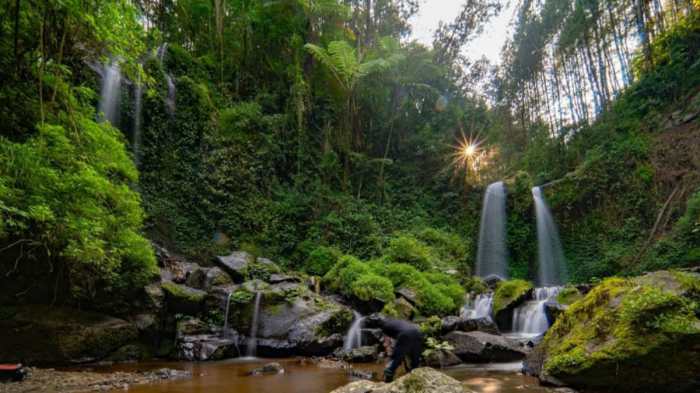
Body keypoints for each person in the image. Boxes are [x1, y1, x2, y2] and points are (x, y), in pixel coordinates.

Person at [364, 314, 423, 382]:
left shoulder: (385, 327)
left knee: (396, 358)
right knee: (415, 359)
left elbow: (389, 341)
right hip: (418, 332)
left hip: (405, 334)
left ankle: (388, 376)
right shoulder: (393, 320)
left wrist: (394, 353)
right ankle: (415, 377)